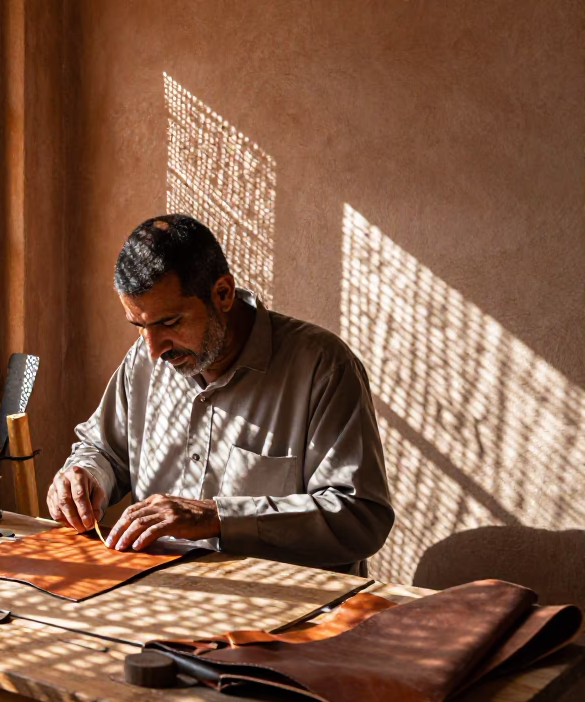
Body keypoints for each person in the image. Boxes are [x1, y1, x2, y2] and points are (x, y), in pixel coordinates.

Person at [48, 214, 394, 573]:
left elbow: (360, 518)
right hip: (160, 594)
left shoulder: (323, 368)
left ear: (223, 294)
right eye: (139, 326)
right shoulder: (144, 361)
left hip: (283, 602)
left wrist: (217, 517)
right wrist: (84, 475)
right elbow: (104, 451)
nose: (153, 349)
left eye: (170, 322)